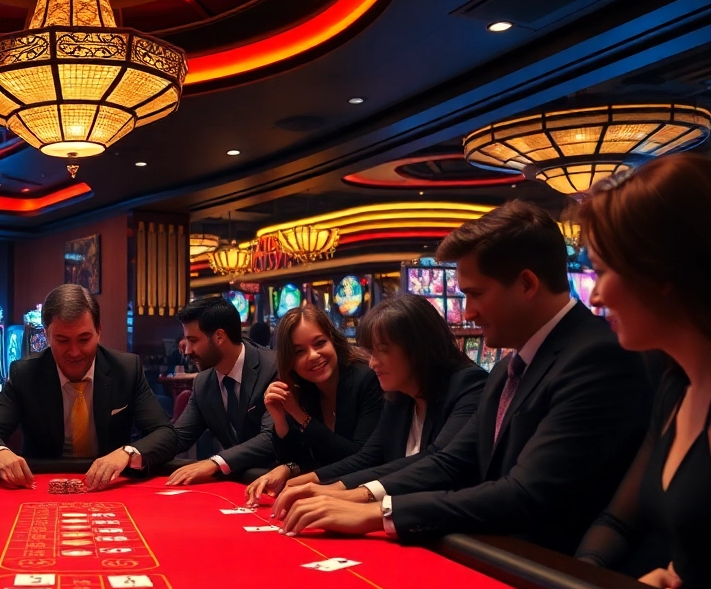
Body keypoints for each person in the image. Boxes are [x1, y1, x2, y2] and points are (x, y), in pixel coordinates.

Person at [275, 201, 652, 554]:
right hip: (499, 556)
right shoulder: (507, 368)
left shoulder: (595, 356)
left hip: (558, 575)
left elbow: (526, 492)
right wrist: (347, 492)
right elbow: (448, 460)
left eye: (474, 294)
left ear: (526, 284)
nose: (467, 312)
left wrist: (381, 512)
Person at [574, 155, 711, 589]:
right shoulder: (675, 387)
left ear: (662, 274)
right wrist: (583, 581)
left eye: (603, 271)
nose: (593, 294)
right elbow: (621, 520)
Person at [264, 294, 487, 504]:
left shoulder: (468, 384)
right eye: (371, 352)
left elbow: (437, 462)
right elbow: (369, 457)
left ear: (418, 348)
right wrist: (300, 481)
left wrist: (347, 494)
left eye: (382, 350)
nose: (372, 363)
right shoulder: (399, 395)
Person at [0, 284, 178, 491]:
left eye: (84, 339)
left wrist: (126, 453)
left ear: (99, 331)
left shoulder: (126, 369)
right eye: (62, 340)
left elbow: (165, 434)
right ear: (47, 335)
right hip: (42, 485)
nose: (75, 352)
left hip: (109, 485)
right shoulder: (25, 374)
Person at [244, 305, 383, 496]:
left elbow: (357, 457)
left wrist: (299, 415)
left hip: (363, 495)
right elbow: (301, 458)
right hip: (326, 495)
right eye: (299, 352)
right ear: (289, 361)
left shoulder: (365, 379)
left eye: (319, 343)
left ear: (333, 340)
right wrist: (280, 420)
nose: (313, 355)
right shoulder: (302, 389)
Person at [166, 295, 278, 485]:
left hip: (276, 481)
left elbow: (270, 438)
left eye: (193, 341)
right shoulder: (203, 382)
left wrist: (214, 463)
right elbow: (179, 437)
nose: (187, 351)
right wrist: (132, 453)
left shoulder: (273, 367)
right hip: (234, 483)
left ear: (219, 336)